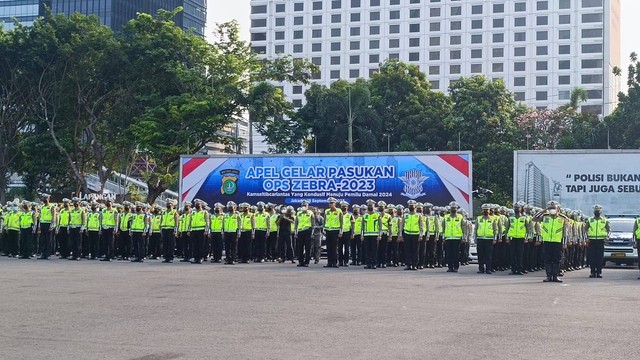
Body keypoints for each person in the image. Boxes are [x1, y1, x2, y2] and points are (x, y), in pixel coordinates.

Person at [534, 201, 569, 283]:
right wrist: (544, 210)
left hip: (557, 241)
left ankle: (555, 276)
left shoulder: (563, 218)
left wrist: (564, 243)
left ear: (557, 209)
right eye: (550, 208)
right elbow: (534, 219)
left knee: (557, 259)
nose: (552, 210)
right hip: (547, 241)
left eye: (553, 208)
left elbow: (565, 232)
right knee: (547, 259)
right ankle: (548, 276)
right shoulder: (545, 216)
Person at [585, 205, 609, 278]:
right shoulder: (590, 220)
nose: (597, 212)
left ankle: (599, 272)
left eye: (598, 211)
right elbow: (585, 230)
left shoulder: (605, 220)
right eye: (596, 211)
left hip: (600, 241)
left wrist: (607, 237)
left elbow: (609, 230)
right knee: (592, 257)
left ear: (600, 212)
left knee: (599, 257)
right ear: (594, 212)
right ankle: (592, 272)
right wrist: (586, 238)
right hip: (591, 241)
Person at [507, 201, 530, 275]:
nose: (516, 209)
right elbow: (507, 228)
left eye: (518, 208)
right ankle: (513, 269)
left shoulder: (524, 218)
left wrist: (526, 238)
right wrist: (507, 238)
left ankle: (520, 269)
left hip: (521, 238)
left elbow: (527, 229)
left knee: (520, 255)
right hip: (512, 238)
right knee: (512, 255)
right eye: (515, 208)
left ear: (521, 209)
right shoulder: (511, 218)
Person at [443, 201, 465, 273]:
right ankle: (450, 267)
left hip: (457, 238)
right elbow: (443, 227)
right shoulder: (446, 217)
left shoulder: (460, 217)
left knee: (456, 253)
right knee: (449, 253)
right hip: (448, 238)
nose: (453, 209)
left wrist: (463, 237)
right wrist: (444, 237)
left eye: (455, 208)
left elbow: (463, 227)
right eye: (452, 208)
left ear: (457, 209)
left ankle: (456, 267)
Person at [400, 200, 422, 271]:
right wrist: (400, 234)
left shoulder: (418, 215)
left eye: (412, 205)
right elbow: (402, 225)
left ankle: (414, 265)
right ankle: (408, 264)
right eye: (410, 205)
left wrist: (421, 235)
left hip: (416, 234)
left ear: (415, 206)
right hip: (407, 234)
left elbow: (421, 226)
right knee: (407, 250)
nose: (411, 207)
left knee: (415, 250)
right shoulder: (405, 215)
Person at [476, 203, 498, 274]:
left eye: (487, 210)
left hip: (489, 239)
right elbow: (475, 229)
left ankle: (488, 269)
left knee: (488, 255)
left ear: (489, 210)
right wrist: (475, 238)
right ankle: (481, 269)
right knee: (480, 255)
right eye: (484, 210)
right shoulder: (478, 218)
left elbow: (495, 230)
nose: (485, 211)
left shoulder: (492, 219)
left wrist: (495, 239)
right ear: (482, 210)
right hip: (480, 238)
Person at [361, 199, 381, 269]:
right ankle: (368, 264)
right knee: (367, 250)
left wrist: (379, 235)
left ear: (374, 206)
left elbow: (380, 226)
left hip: (374, 235)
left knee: (374, 250)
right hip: (366, 235)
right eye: (368, 205)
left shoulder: (377, 215)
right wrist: (362, 235)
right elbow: (362, 226)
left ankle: (374, 263)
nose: (370, 206)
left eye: (371, 205)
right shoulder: (364, 215)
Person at [323, 197, 343, 268]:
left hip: (335, 230)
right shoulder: (326, 211)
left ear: (335, 203)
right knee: (329, 247)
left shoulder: (339, 211)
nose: (330, 204)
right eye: (329, 203)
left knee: (334, 247)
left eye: (332, 203)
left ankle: (334, 262)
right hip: (328, 230)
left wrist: (341, 231)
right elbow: (325, 220)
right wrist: (323, 229)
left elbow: (341, 221)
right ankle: (329, 262)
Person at [37, 194, 56, 260]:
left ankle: (47, 254)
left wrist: (52, 225)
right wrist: (39, 226)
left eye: (45, 198)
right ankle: (43, 254)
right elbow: (40, 216)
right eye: (43, 198)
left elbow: (53, 216)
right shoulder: (42, 207)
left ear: (48, 199)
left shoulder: (51, 206)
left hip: (48, 224)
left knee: (48, 240)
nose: (44, 199)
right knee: (42, 240)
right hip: (42, 223)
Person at [294, 202, 313, 267]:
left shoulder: (310, 213)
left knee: (308, 247)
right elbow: (296, 223)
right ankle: (300, 261)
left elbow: (313, 224)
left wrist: (312, 233)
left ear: (308, 206)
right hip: (300, 231)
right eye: (303, 205)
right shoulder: (298, 213)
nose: (304, 206)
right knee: (300, 247)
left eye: (305, 205)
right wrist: (295, 232)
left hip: (308, 231)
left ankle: (307, 262)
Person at [339, 201, 353, 267]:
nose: (343, 207)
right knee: (339, 248)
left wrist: (352, 233)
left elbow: (353, 224)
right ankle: (340, 261)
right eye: (342, 206)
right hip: (339, 232)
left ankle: (346, 262)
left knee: (347, 248)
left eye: (345, 206)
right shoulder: (339, 213)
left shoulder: (350, 215)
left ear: (347, 207)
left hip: (347, 232)